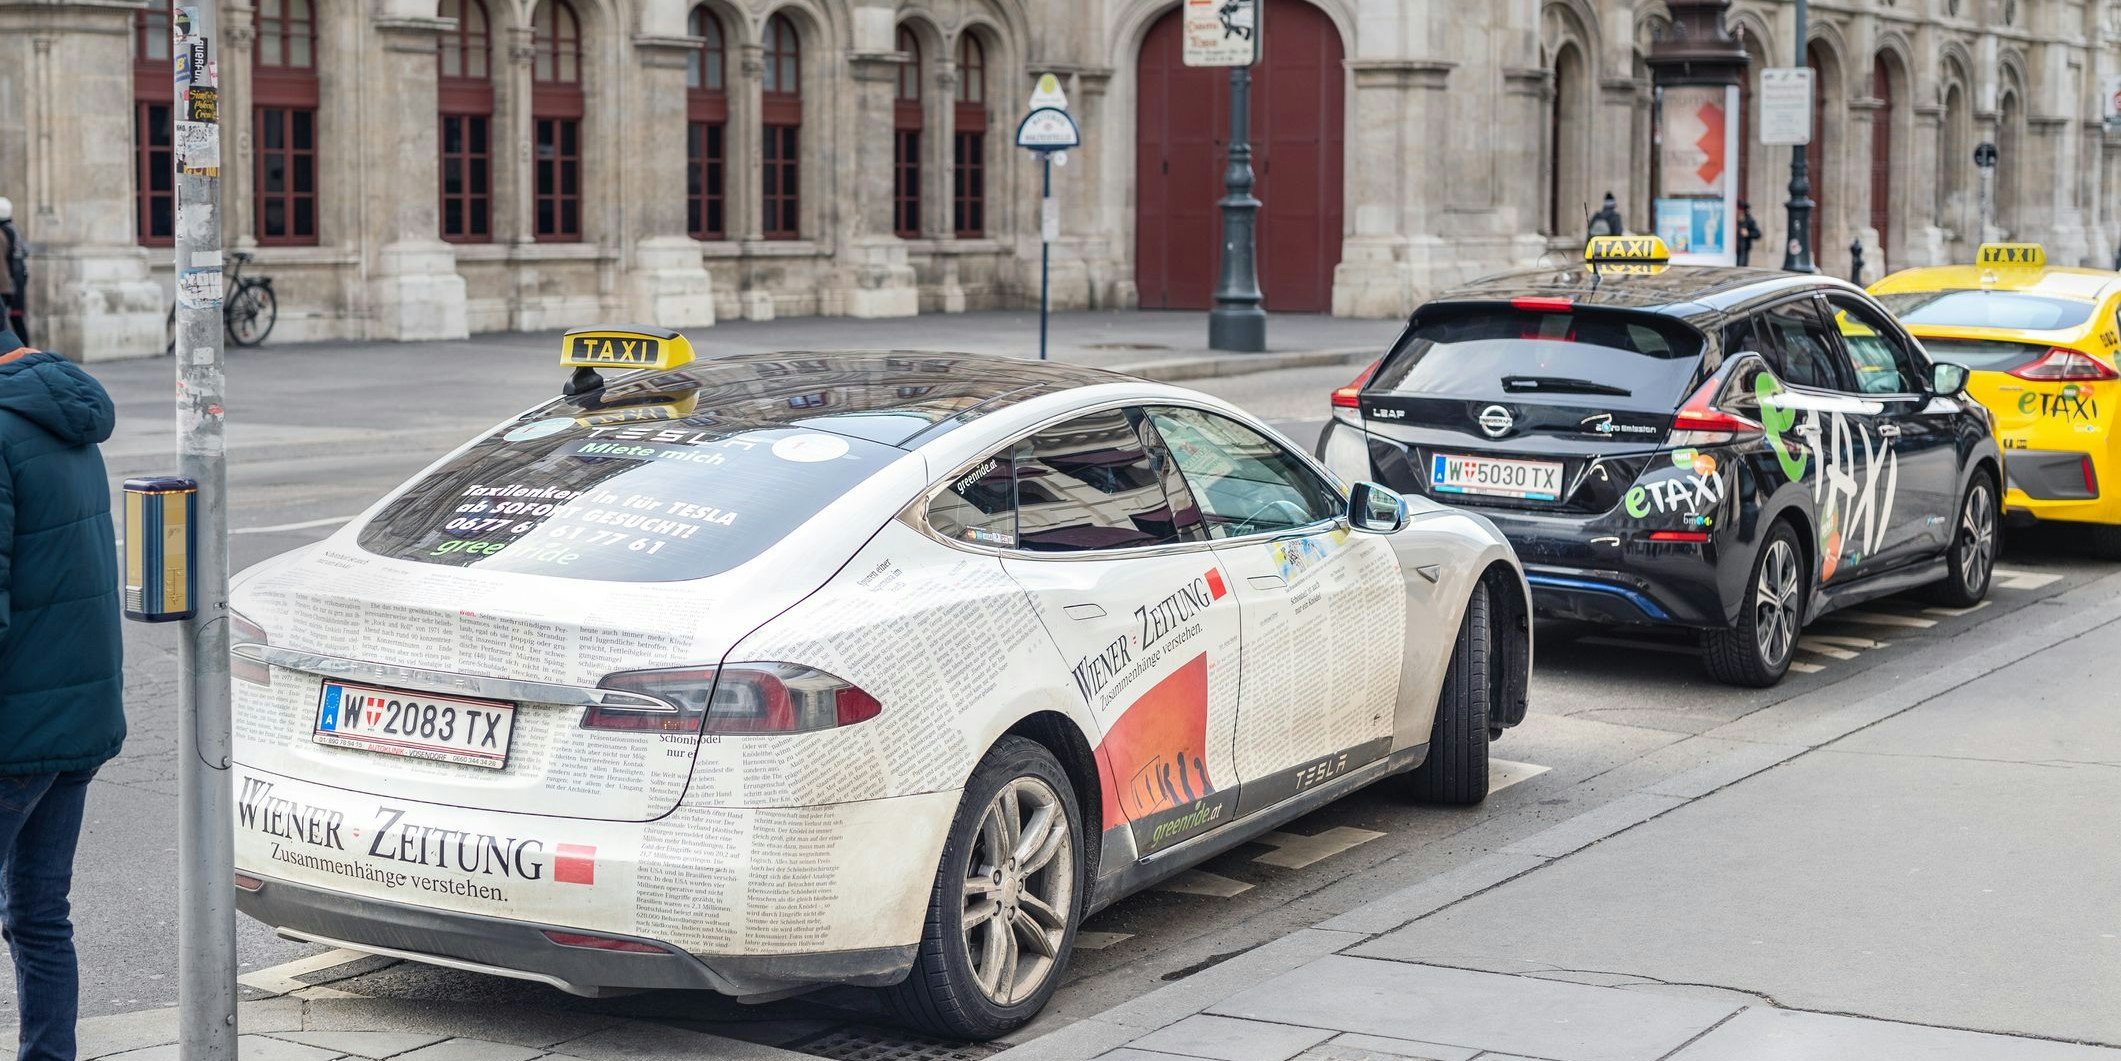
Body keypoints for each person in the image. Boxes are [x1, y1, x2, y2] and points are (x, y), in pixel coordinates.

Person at [0, 322, 125, 1061]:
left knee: (39, 913)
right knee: (41, 914)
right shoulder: (61, 408)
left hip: (17, 726)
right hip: (76, 716)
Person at [1736, 199, 1764, 267]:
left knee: (1741, 268)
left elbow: (1758, 234)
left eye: (1740, 210)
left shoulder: (1748, 220)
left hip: (1743, 250)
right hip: (1731, 251)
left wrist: (1748, 233)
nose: (1738, 212)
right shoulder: (1730, 219)